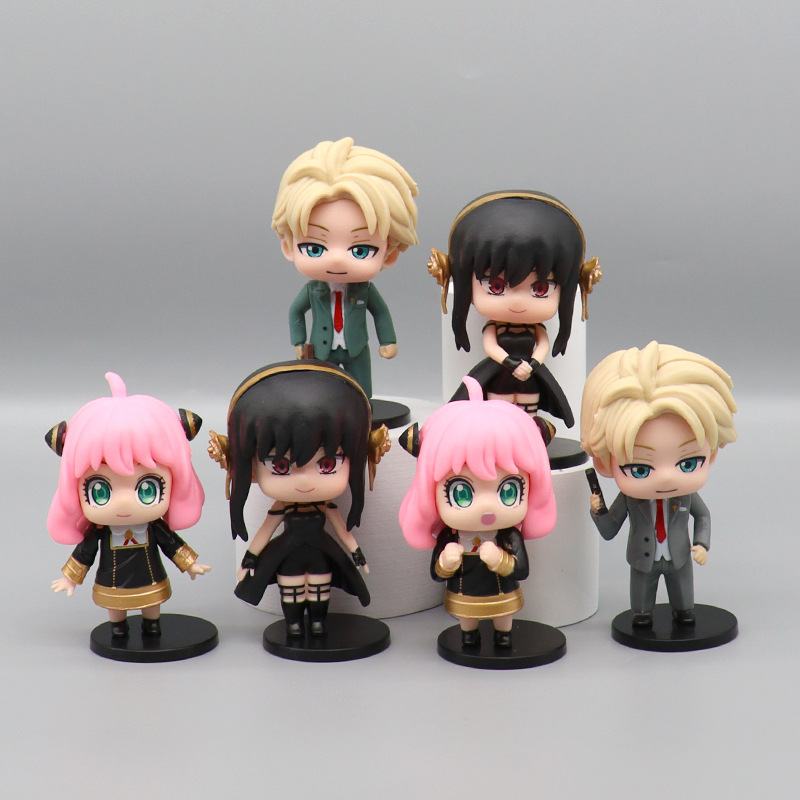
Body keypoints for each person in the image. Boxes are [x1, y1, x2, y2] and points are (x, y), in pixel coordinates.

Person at [580, 341, 737, 628]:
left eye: (687, 463)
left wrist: (701, 544)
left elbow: (702, 516)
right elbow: (609, 530)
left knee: (683, 597)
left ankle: (684, 611)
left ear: (712, 454)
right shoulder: (630, 500)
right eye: (640, 469)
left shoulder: (687, 496)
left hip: (679, 556)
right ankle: (642, 614)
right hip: (642, 560)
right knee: (641, 602)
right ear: (604, 463)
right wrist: (598, 510)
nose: (666, 478)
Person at [273, 137, 418, 398]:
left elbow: (381, 313)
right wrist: (298, 341)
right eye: (315, 248)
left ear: (390, 254)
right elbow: (296, 311)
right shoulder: (312, 291)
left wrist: (388, 340)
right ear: (288, 246)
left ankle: (361, 412)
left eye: (360, 250)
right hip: (321, 350)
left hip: (356, 348)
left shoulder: (366, 291)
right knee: (320, 392)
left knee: (361, 390)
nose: (337, 259)